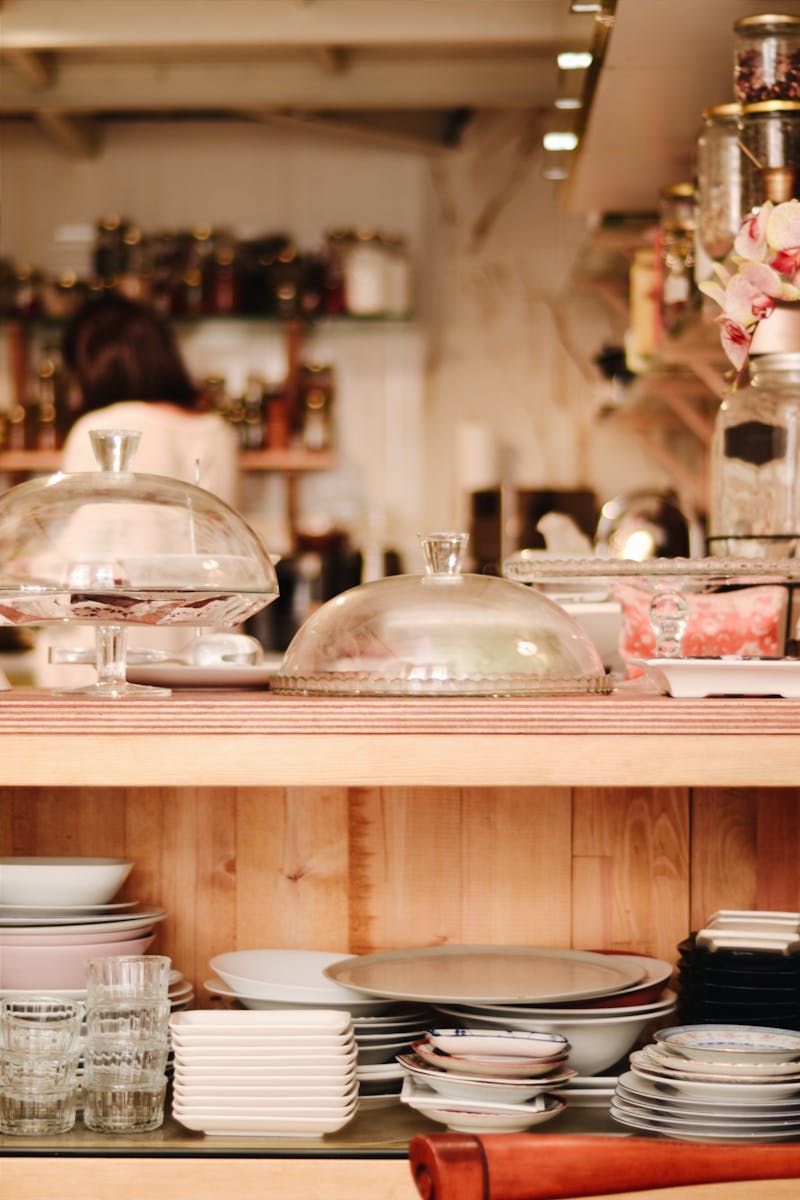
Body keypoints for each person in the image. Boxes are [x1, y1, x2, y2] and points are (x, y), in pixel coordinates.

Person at [34, 294, 241, 688]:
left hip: (104, 660)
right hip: (203, 657)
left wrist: (28, 566)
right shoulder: (218, 432)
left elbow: (82, 561)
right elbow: (223, 551)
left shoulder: (103, 427)